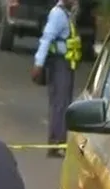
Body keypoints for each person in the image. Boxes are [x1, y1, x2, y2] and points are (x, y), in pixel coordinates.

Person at [30, 0, 82, 159]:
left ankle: (57, 142)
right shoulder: (58, 14)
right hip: (59, 64)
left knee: (62, 102)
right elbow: (46, 38)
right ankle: (57, 143)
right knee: (60, 103)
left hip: (65, 63)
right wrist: (38, 64)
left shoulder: (67, 12)